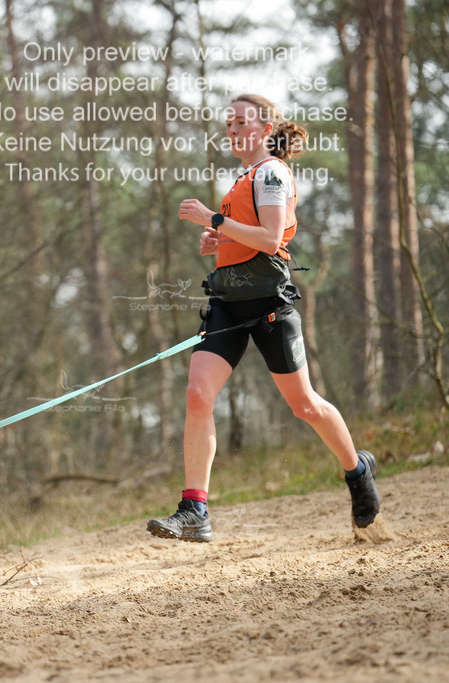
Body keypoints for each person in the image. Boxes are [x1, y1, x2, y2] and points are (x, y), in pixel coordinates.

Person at [147, 93, 380, 543]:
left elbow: (272, 241)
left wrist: (213, 218)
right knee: (198, 394)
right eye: (228, 123)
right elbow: (251, 238)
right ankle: (195, 508)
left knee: (304, 405)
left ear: (265, 129)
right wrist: (222, 243)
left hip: (269, 305)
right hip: (227, 304)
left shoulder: (271, 172)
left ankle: (357, 471)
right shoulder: (243, 178)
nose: (231, 130)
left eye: (240, 122)